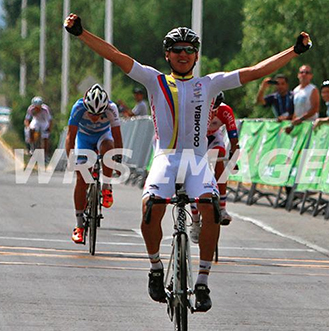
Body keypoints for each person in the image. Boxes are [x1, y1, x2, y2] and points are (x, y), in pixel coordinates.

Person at [64, 13, 311, 312]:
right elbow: (115, 56)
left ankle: (203, 280)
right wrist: (80, 33)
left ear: (196, 55)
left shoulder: (209, 83)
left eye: (189, 50)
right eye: (177, 49)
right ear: (167, 54)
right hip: (165, 158)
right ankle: (155, 268)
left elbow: (256, 71)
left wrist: (294, 52)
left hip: (196, 160)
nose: (183, 54)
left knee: (211, 207)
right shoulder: (153, 80)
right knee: (151, 206)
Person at [65, 84, 123, 244]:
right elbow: (70, 135)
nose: (95, 117)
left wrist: (118, 160)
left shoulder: (112, 108)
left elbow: (117, 136)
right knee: (82, 179)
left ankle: (106, 187)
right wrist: (70, 158)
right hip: (84, 139)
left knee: (108, 149)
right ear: (86, 106)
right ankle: (79, 226)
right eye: (91, 113)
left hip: (103, 137)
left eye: (99, 114)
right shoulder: (78, 107)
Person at [190, 92, 240, 243]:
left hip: (213, 139)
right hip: (196, 141)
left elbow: (233, 137)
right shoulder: (195, 109)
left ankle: (223, 208)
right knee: (194, 174)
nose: (214, 111)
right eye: (211, 107)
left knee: (220, 161)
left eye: (216, 107)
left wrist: (233, 156)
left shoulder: (225, 111)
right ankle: (195, 220)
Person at [285, 64, 319, 134]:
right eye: (302, 72)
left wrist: (301, 119)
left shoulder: (313, 89)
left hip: (310, 125)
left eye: (307, 73)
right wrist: (292, 125)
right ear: (298, 75)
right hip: (299, 126)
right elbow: (296, 110)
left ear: (311, 76)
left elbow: (315, 109)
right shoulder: (295, 90)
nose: (304, 74)